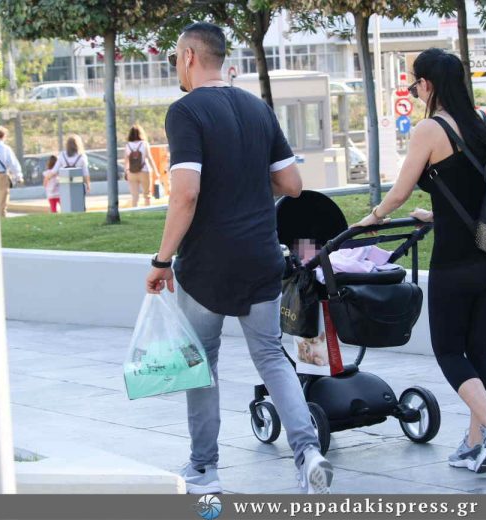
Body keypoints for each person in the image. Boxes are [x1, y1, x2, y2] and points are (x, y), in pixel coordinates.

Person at [145, 22, 333, 495]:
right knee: (271, 356)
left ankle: (204, 468)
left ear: (189, 56)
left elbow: (185, 194)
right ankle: (308, 452)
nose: (176, 67)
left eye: (175, 58)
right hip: (261, 258)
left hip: (207, 265)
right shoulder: (257, 108)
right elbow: (292, 185)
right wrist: (245, 178)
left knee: (201, 362)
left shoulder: (185, 112)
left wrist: (162, 260)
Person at [352, 48, 486, 474]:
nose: (415, 91)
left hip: (457, 261)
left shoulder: (429, 128)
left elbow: (400, 191)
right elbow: (477, 186)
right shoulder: (479, 121)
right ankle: (476, 444)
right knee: (478, 349)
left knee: (448, 349)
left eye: (415, 84)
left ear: (427, 84)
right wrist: (437, 213)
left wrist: (374, 218)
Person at [124, 124, 158, 207]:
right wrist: (156, 171)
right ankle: (147, 211)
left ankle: (134, 212)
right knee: (147, 195)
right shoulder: (144, 144)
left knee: (135, 197)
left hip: (132, 172)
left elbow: (126, 161)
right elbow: (149, 158)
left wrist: (126, 172)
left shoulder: (128, 145)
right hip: (144, 171)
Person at [0, 126, 23, 218]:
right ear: (3, 136)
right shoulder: (5, 148)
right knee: (2, 203)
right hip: (1, 175)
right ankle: (1, 220)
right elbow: (13, 163)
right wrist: (19, 176)